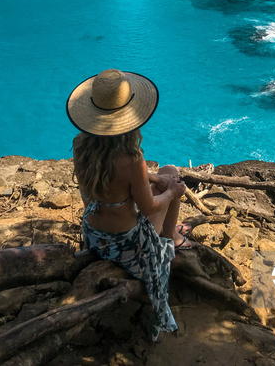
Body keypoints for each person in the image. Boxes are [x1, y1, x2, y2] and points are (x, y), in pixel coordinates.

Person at [67, 68, 192, 340]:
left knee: (162, 177)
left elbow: (103, 178)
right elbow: (149, 208)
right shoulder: (132, 158)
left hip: (94, 233)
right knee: (171, 172)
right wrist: (172, 191)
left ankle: (171, 230)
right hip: (126, 243)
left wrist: (153, 177)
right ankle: (171, 237)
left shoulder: (80, 144)